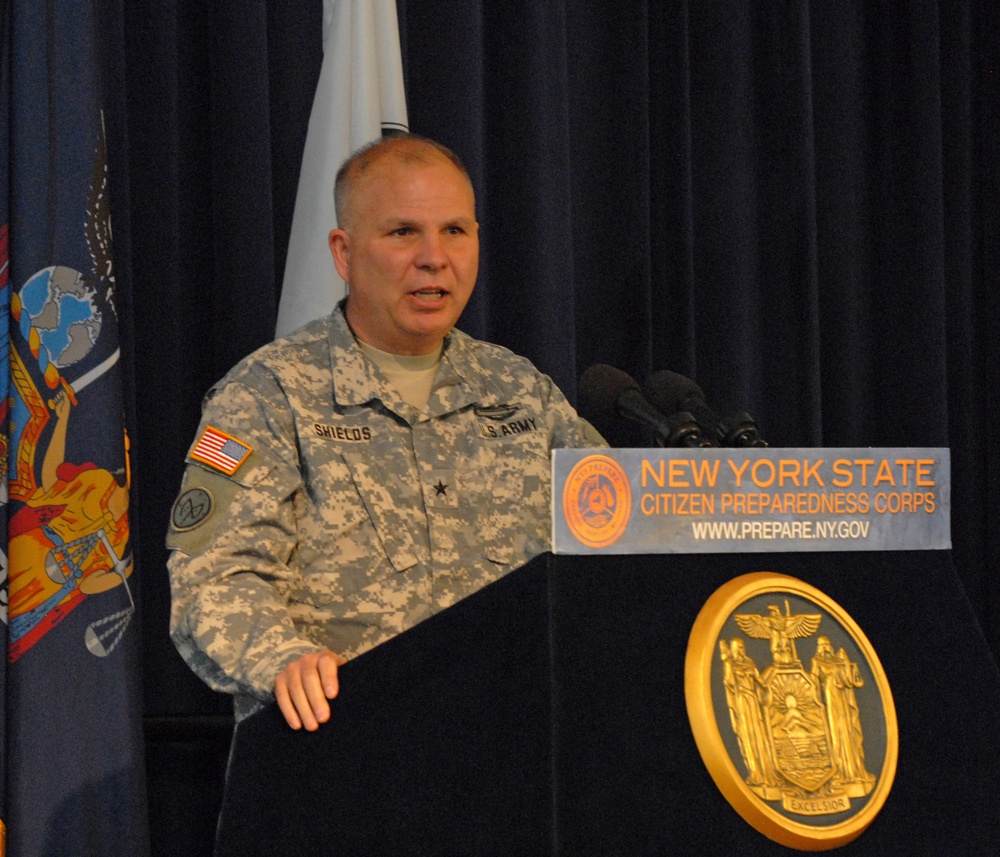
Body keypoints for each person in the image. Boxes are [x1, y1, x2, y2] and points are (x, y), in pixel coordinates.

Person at [166, 134, 605, 731]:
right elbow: (215, 577)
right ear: (344, 253)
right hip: (346, 742)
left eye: (455, 231)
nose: (434, 258)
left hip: (519, 741)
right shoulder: (269, 395)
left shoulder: (520, 389)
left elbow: (615, 538)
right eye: (403, 232)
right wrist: (283, 660)